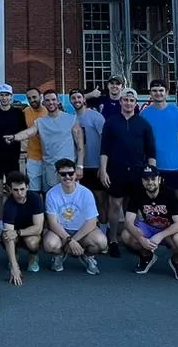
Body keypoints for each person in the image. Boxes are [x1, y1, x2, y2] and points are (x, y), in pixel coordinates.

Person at [99, 90, 156, 255]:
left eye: (131, 100)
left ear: (135, 103)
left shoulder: (143, 124)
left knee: (132, 207)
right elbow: (105, 149)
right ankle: (113, 240)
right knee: (115, 204)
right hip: (116, 170)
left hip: (138, 172)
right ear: (121, 102)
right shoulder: (111, 122)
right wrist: (103, 170)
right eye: (125, 100)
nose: (128, 103)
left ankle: (134, 239)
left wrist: (152, 173)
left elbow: (151, 151)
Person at [4, 90, 84, 193]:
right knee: (50, 199)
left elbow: (80, 146)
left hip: (68, 170)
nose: (51, 103)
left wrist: (80, 166)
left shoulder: (71, 119)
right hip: (50, 169)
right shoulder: (40, 122)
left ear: (58, 101)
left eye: (53, 99)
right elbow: (28, 133)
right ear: (44, 102)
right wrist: (14, 137)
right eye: (48, 100)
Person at [122, 166, 178, 280]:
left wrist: (160, 236)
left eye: (153, 179)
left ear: (159, 179)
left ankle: (177, 262)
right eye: (146, 179)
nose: (150, 182)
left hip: (169, 229)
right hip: (149, 227)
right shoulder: (137, 193)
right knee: (126, 235)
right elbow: (128, 221)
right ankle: (146, 256)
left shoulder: (169, 193)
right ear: (142, 181)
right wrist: (141, 239)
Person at [43, 158, 107, 275]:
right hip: (62, 232)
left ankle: (87, 256)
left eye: (70, 173)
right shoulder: (51, 194)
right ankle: (59, 255)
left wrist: (72, 241)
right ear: (57, 175)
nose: (67, 177)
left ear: (75, 173)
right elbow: (52, 223)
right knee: (49, 244)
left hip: (82, 231)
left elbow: (92, 222)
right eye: (63, 174)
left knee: (101, 242)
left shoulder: (86, 193)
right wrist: (68, 239)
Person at [69, 88, 109, 254]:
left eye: (79, 97)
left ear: (84, 99)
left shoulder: (96, 117)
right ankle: (82, 237)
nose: (77, 100)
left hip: (95, 165)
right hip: (78, 167)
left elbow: (105, 141)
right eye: (73, 98)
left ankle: (104, 234)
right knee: (80, 203)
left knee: (100, 200)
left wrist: (103, 166)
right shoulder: (69, 119)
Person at [139, 80, 178, 193]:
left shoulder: (177, 112)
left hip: (174, 165)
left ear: (167, 92)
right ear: (150, 93)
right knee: (154, 204)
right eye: (154, 90)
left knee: (177, 202)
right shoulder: (144, 114)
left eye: (161, 90)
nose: (158, 93)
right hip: (152, 166)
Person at [0, 171, 45, 285]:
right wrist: (14, 268)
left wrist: (18, 232)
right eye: (16, 190)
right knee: (6, 237)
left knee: (32, 242)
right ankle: (14, 258)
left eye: (22, 189)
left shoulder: (35, 198)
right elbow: (9, 236)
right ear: (10, 189)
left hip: (29, 233)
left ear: (27, 187)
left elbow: (38, 228)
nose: (20, 193)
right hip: (14, 235)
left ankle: (33, 256)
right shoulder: (9, 204)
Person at [0, 84, 29, 197]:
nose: (4, 98)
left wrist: (16, 140)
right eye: (2, 95)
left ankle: (12, 214)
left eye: (7, 95)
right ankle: (0, 215)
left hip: (12, 158)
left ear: (11, 97)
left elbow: (24, 133)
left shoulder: (18, 113)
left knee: (13, 192)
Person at [20, 88, 47, 190]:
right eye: (29, 98)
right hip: (33, 158)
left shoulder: (48, 111)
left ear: (41, 96)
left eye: (34, 97)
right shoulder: (26, 112)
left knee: (48, 191)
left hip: (48, 158)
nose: (32, 100)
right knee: (33, 191)